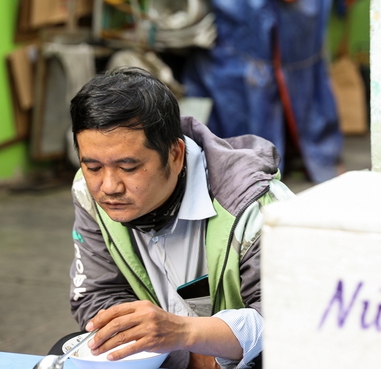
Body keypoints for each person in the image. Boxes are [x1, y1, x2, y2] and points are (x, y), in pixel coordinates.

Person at [67, 66, 295, 369]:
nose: (109, 186)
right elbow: (97, 294)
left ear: (175, 155)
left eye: (129, 167)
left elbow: (290, 318)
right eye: (93, 166)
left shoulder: (258, 208)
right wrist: (181, 354)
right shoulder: (88, 192)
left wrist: (187, 336)